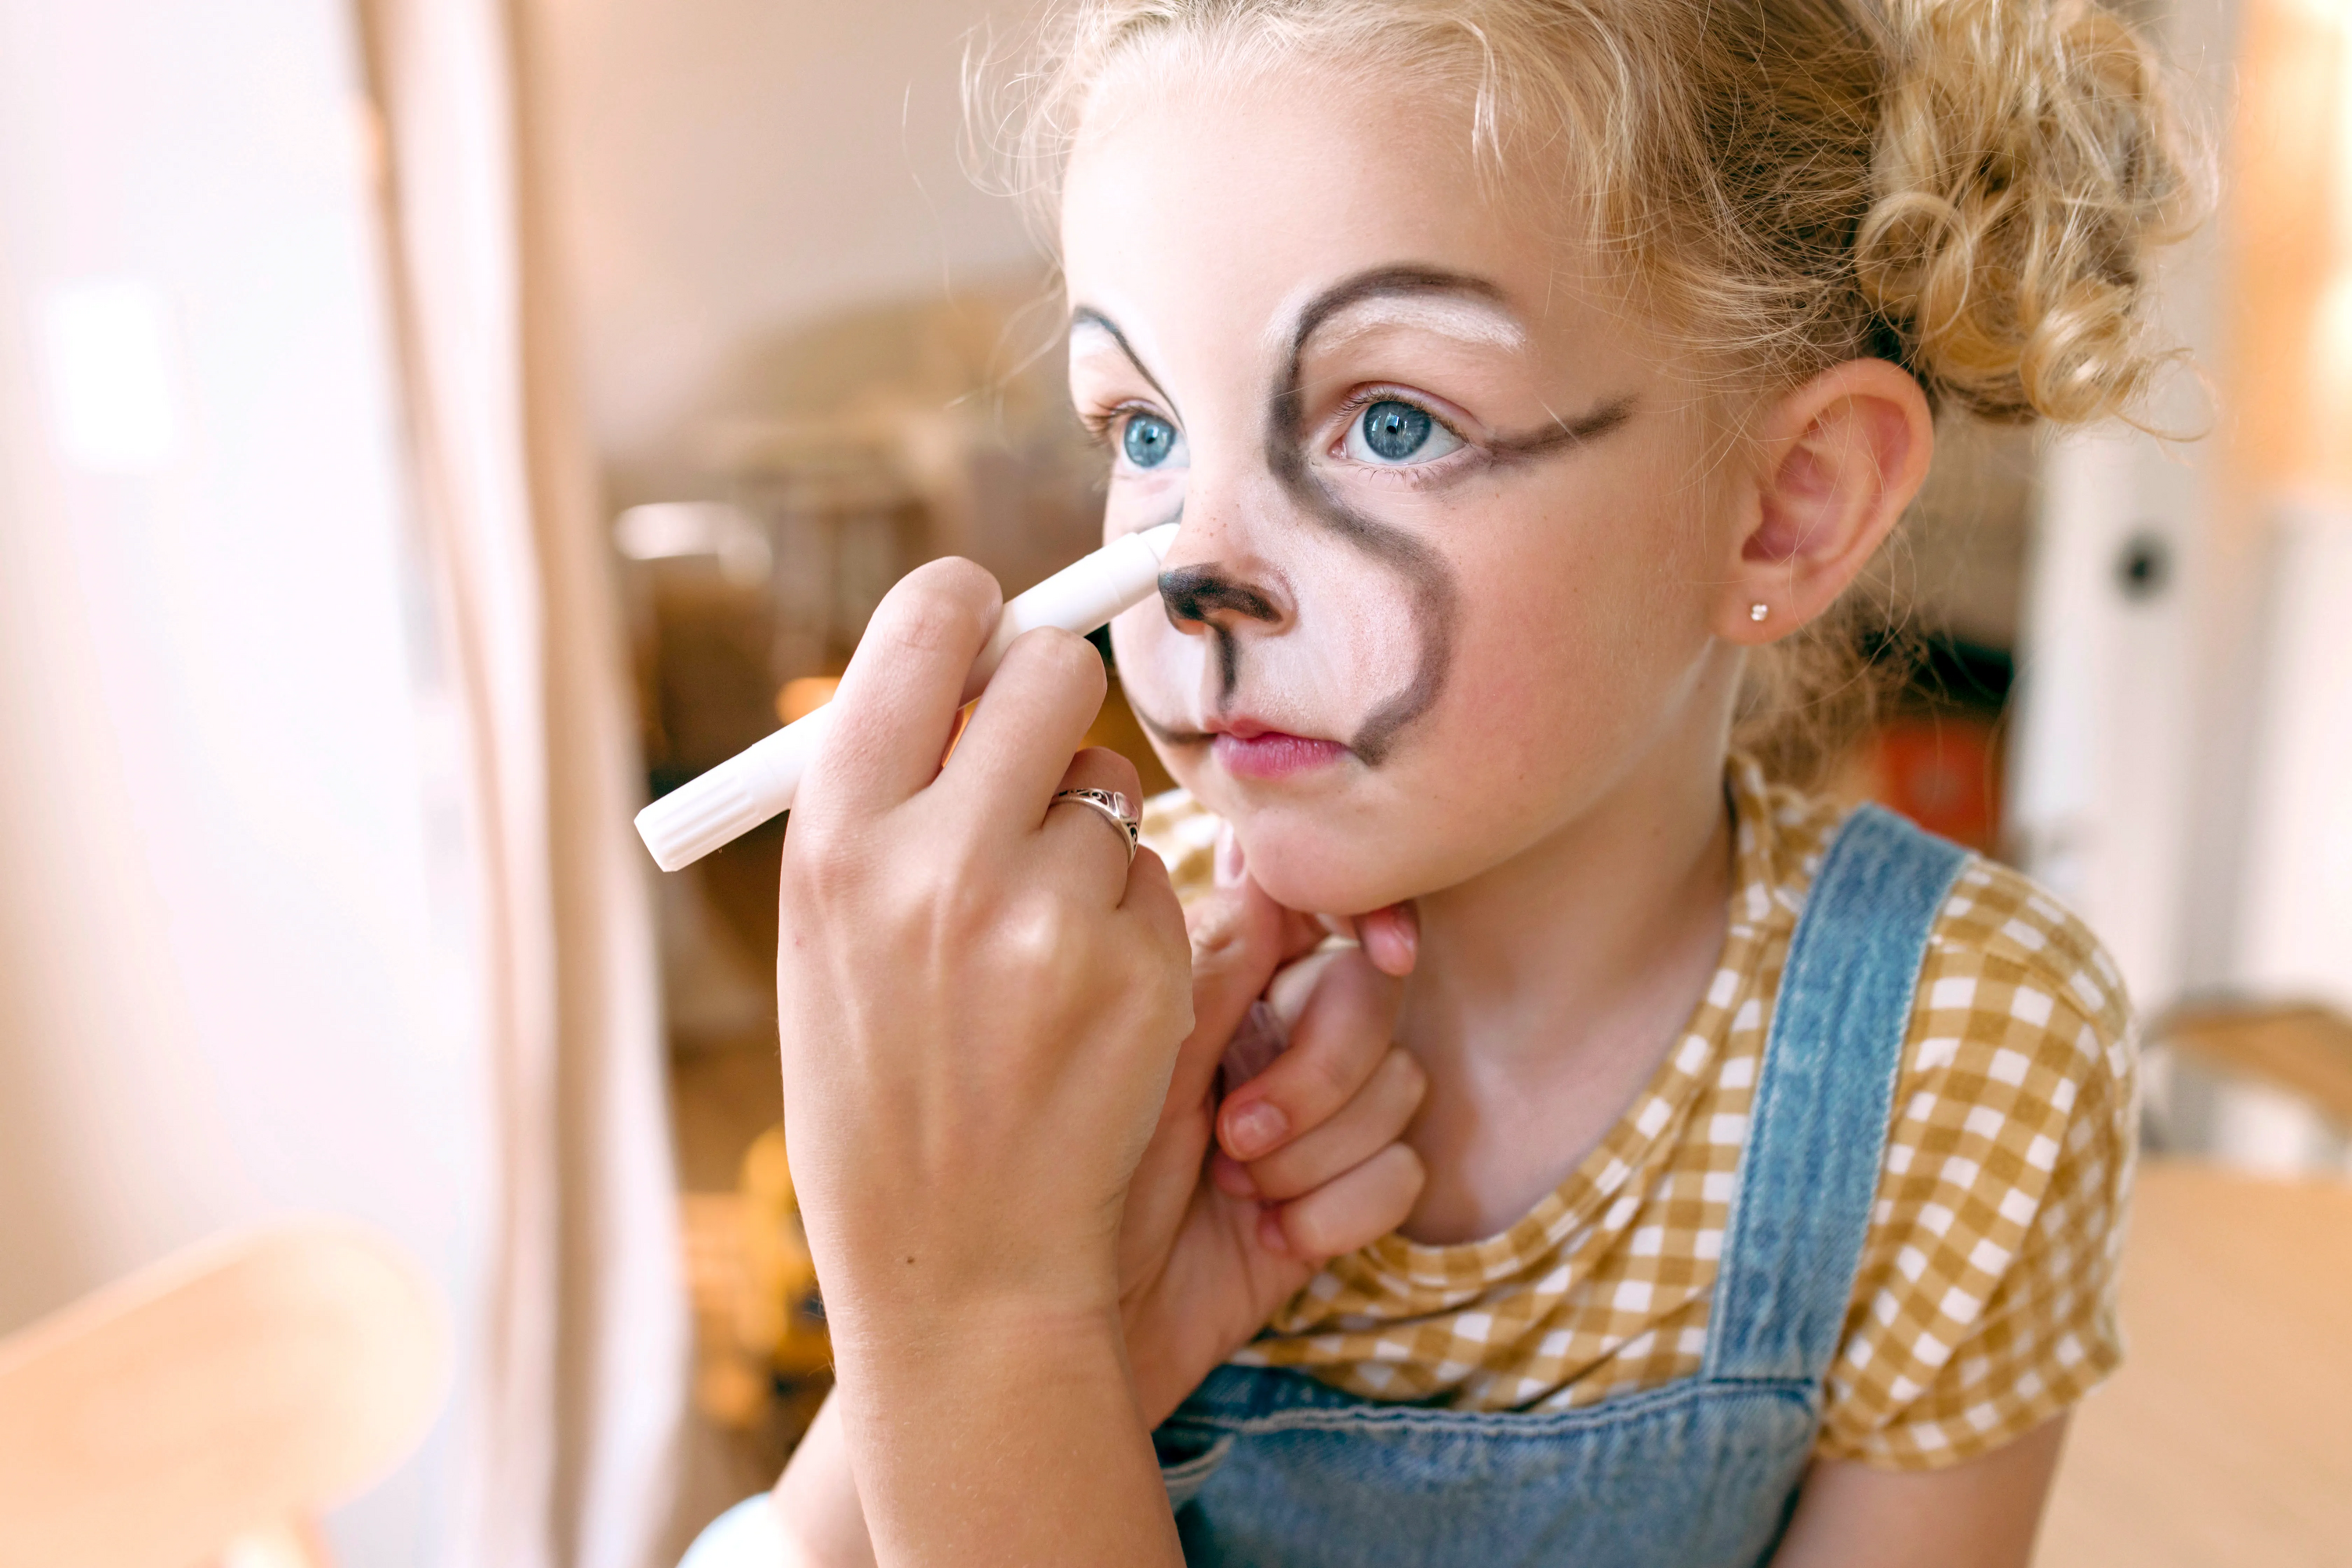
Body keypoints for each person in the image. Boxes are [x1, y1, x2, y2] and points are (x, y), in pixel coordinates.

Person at [681, 0, 2196, 1561]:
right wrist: (993, 1320)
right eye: (1144, 426)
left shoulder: (1959, 1059)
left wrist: (991, 1327)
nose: (1195, 571)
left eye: (1391, 421)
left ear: (1786, 506)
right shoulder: (1089, 996)